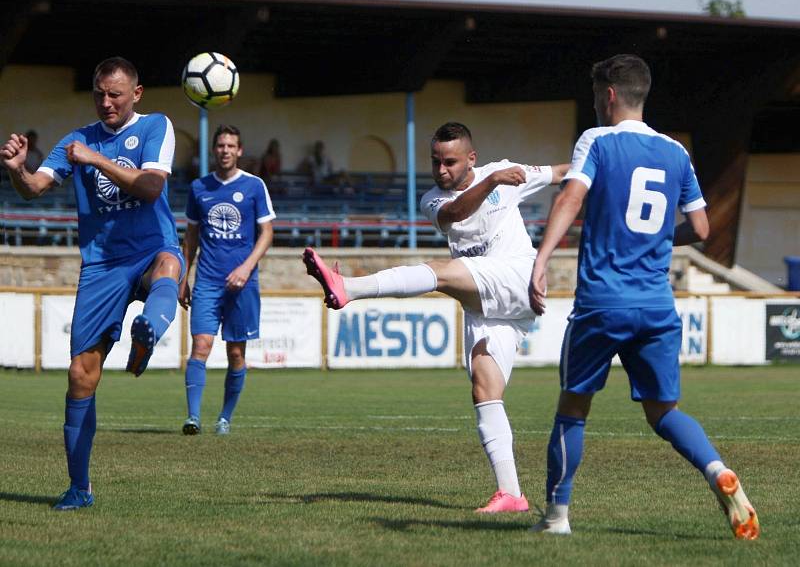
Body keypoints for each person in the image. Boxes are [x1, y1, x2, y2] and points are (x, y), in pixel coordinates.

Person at [528, 54, 759, 539]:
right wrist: (654, 239)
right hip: (656, 304)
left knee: (572, 409)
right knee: (664, 412)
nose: (595, 105)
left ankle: (557, 518)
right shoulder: (676, 152)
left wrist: (541, 258)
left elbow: (571, 196)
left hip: (603, 302)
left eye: (596, 96)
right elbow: (700, 227)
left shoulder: (597, 140)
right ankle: (717, 470)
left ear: (609, 95)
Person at [303, 122, 568, 513]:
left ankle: (349, 288)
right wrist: (494, 179)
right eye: (436, 162)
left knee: (440, 273)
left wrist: (600, 165)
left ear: (471, 158)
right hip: (485, 301)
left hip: (516, 277)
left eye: (450, 162)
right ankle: (512, 493)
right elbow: (457, 213)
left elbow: (561, 173)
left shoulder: (505, 172)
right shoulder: (433, 199)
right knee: (484, 387)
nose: (441, 170)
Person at [0, 57, 184, 510]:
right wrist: (17, 170)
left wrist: (97, 159)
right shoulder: (74, 140)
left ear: (135, 94)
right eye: (99, 93)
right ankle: (79, 488)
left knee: (168, 265)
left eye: (115, 94)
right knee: (80, 375)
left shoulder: (157, 126)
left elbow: (151, 188)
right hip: (101, 265)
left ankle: (149, 331)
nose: (106, 102)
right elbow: (35, 187)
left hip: (148, 247)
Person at [179, 124, 275, 435]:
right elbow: (191, 238)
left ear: (240, 150)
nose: (225, 151)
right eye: (220, 145)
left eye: (231, 146)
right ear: (214, 150)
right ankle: (193, 418)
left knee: (236, 353)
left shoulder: (254, 186)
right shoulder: (199, 188)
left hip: (243, 283)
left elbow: (267, 234)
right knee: (201, 346)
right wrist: (183, 276)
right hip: (207, 280)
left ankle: (224, 418)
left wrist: (246, 268)